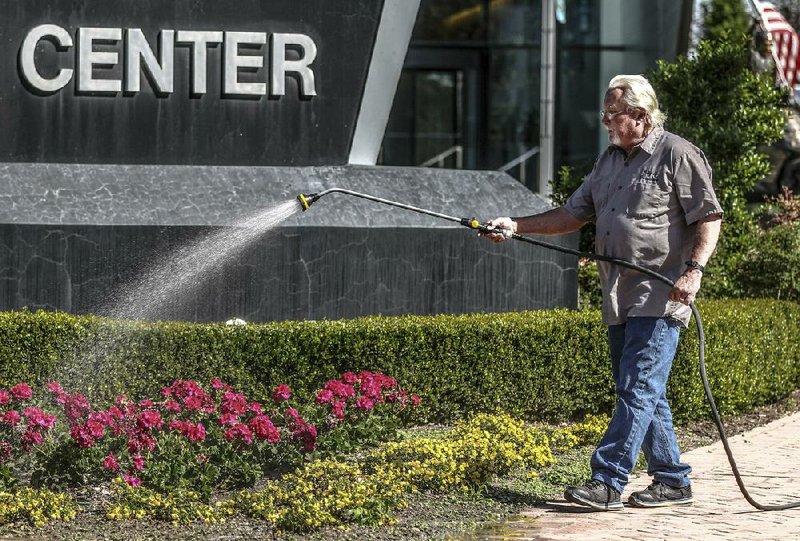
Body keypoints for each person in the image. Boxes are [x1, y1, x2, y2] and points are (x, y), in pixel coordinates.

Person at [483, 74, 723, 511]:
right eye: (605, 114)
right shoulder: (610, 160)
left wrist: (694, 273)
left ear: (640, 116)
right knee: (644, 390)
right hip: (618, 295)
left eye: (613, 114)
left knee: (637, 387)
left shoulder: (677, 154)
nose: (606, 122)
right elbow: (573, 214)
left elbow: (708, 217)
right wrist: (515, 225)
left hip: (662, 293)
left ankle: (607, 481)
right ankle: (672, 480)